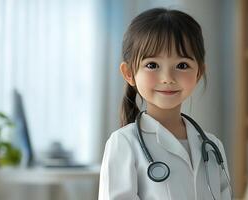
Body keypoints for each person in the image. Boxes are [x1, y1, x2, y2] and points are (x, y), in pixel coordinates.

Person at [98, 7, 232, 200]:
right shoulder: (124, 143)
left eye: (182, 65)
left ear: (199, 73)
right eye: (152, 65)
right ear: (129, 73)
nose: (167, 78)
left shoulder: (212, 146)